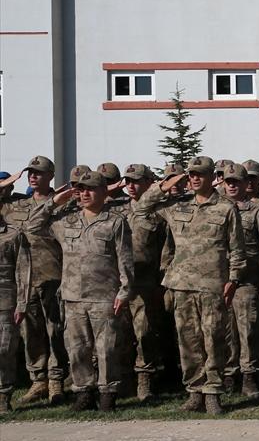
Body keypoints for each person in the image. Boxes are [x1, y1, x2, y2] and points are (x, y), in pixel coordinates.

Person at [135, 156, 247, 415]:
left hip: (213, 285)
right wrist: (163, 186)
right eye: (191, 174)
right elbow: (141, 209)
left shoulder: (226, 209)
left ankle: (212, 392)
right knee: (188, 341)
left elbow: (237, 250)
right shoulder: (177, 207)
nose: (194, 178)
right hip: (182, 285)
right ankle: (195, 390)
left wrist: (233, 279)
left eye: (200, 174)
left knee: (214, 339)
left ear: (211, 177)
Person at [23, 171, 134, 412]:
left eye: (90, 189)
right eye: (80, 189)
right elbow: (31, 226)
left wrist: (125, 291)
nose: (84, 193)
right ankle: (84, 393)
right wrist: (53, 202)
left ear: (104, 192)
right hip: (73, 296)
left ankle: (108, 394)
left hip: (105, 295)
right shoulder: (66, 221)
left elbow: (125, 259)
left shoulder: (114, 221)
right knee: (77, 348)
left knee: (106, 349)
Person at [0, 157, 67, 406]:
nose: (33, 176)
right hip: (24, 279)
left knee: (55, 330)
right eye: (30, 172)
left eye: (39, 172)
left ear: (50, 175)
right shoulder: (16, 205)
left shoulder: (62, 203)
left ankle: (56, 380)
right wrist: (6, 183)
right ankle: (38, 380)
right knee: (30, 332)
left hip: (53, 275)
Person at [222, 163, 259, 400]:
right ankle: (227, 376)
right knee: (224, 333)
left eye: (237, 182)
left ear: (247, 184)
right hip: (220, 281)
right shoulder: (217, 210)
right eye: (228, 182)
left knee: (248, 332)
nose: (232, 185)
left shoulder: (255, 211)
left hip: (247, 281)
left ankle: (249, 377)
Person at [120, 164, 169, 401]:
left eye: (136, 181)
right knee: (120, 333)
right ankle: (123, 379)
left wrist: (162, 281)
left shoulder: (160, 213)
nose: (131, 185)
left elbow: (167, 249)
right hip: (118, 284)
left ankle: (145, 380)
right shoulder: (116, 210)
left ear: (150, 183)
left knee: (145, 333)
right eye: (127, 181)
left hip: (146, 282)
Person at [0, 210, 30, 414]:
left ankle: (3, 396)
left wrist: (22, 302)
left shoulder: (14, 234)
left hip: (5, 300)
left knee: (4, 350)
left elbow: (23, 270)